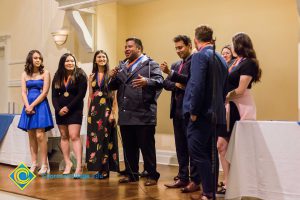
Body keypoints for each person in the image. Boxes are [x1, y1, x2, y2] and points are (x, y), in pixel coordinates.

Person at [109, 37, 163, 186]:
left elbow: (160, 82)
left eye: (130, 47)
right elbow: (112, 86)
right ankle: (131, 174)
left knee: (147, 147)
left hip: (143, 112)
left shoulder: (150, 64)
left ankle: (152, 175)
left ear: (139, 48)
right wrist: (112, 76)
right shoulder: (122, 66)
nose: (126, 49)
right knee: (129, 146)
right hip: (126, 112)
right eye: (125, 46)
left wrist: (147, 81)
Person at [183, 25, 228, 200]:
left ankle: (208, 193)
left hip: (200, 114)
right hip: (216, 114)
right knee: (211, 154)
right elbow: (225, 87)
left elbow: (197, 85)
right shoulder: (221, 58)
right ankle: (211, 192)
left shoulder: (200, 56)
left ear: (195, 40)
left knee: (197, 152)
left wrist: (194, 111)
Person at [216, 32, 262, 197]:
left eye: (233, 43)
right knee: (221, 146)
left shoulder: (249, 63)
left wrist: (223, 97)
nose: (231, 46)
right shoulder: (235, 62)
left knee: (235, 148)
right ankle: (228, 180)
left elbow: (241, 90)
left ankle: (237, 183)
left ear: (240, 45)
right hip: (228, 107)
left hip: (240, 107)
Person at [161, 35, 200, 193]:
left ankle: (195, 180)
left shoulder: (196, 62)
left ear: (189, 45)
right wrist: (177, 82)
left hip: (190, 111)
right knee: (181, 147)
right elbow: (166, 84)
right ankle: (182, 177)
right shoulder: (176, 64)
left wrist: (172, 75)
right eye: (176, 48)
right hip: (176, 111)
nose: (178, 51)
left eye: (181, 47)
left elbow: (190, 81)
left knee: (193, 147)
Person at [18, 50, 54, 176]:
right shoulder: (24, 74)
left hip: (40, 105)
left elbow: (44, 93)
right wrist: (27, 106)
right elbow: (23, 92)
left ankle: (44, 164)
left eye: (40, 58)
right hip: (28, 105)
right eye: (35, 58)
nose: (38, 60)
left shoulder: (46, 73)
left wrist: (32, 105)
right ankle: (34, 163)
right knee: (31, 135)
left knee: (40, 135)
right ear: (30, 60)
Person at [52, 53, 87, 178]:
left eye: (72, 61)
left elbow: (81, 95)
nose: (70, 63)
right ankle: (68, 163)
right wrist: (58, 109)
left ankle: (79, 166)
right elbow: (54, 96)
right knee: (64, 136)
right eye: (67, 61)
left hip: (75, 110)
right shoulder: (58, 75)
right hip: (60, 111)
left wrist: (68, 107)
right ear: (63, 63)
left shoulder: (81, 74)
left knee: (74, 136)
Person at [86, 50, 119, 179]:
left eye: (103, 57)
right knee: (95, 140)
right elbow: (90, 96)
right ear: (95, 60)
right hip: (94, 113)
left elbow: (114, 97)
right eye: (99, 57)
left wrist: (113, 113)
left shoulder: (111, 75)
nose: (101, 59)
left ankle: (106, 169)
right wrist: (89, 113)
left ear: (106, 59)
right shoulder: (91, 76)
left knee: (106, 139)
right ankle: (98, 168)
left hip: (106, 110)